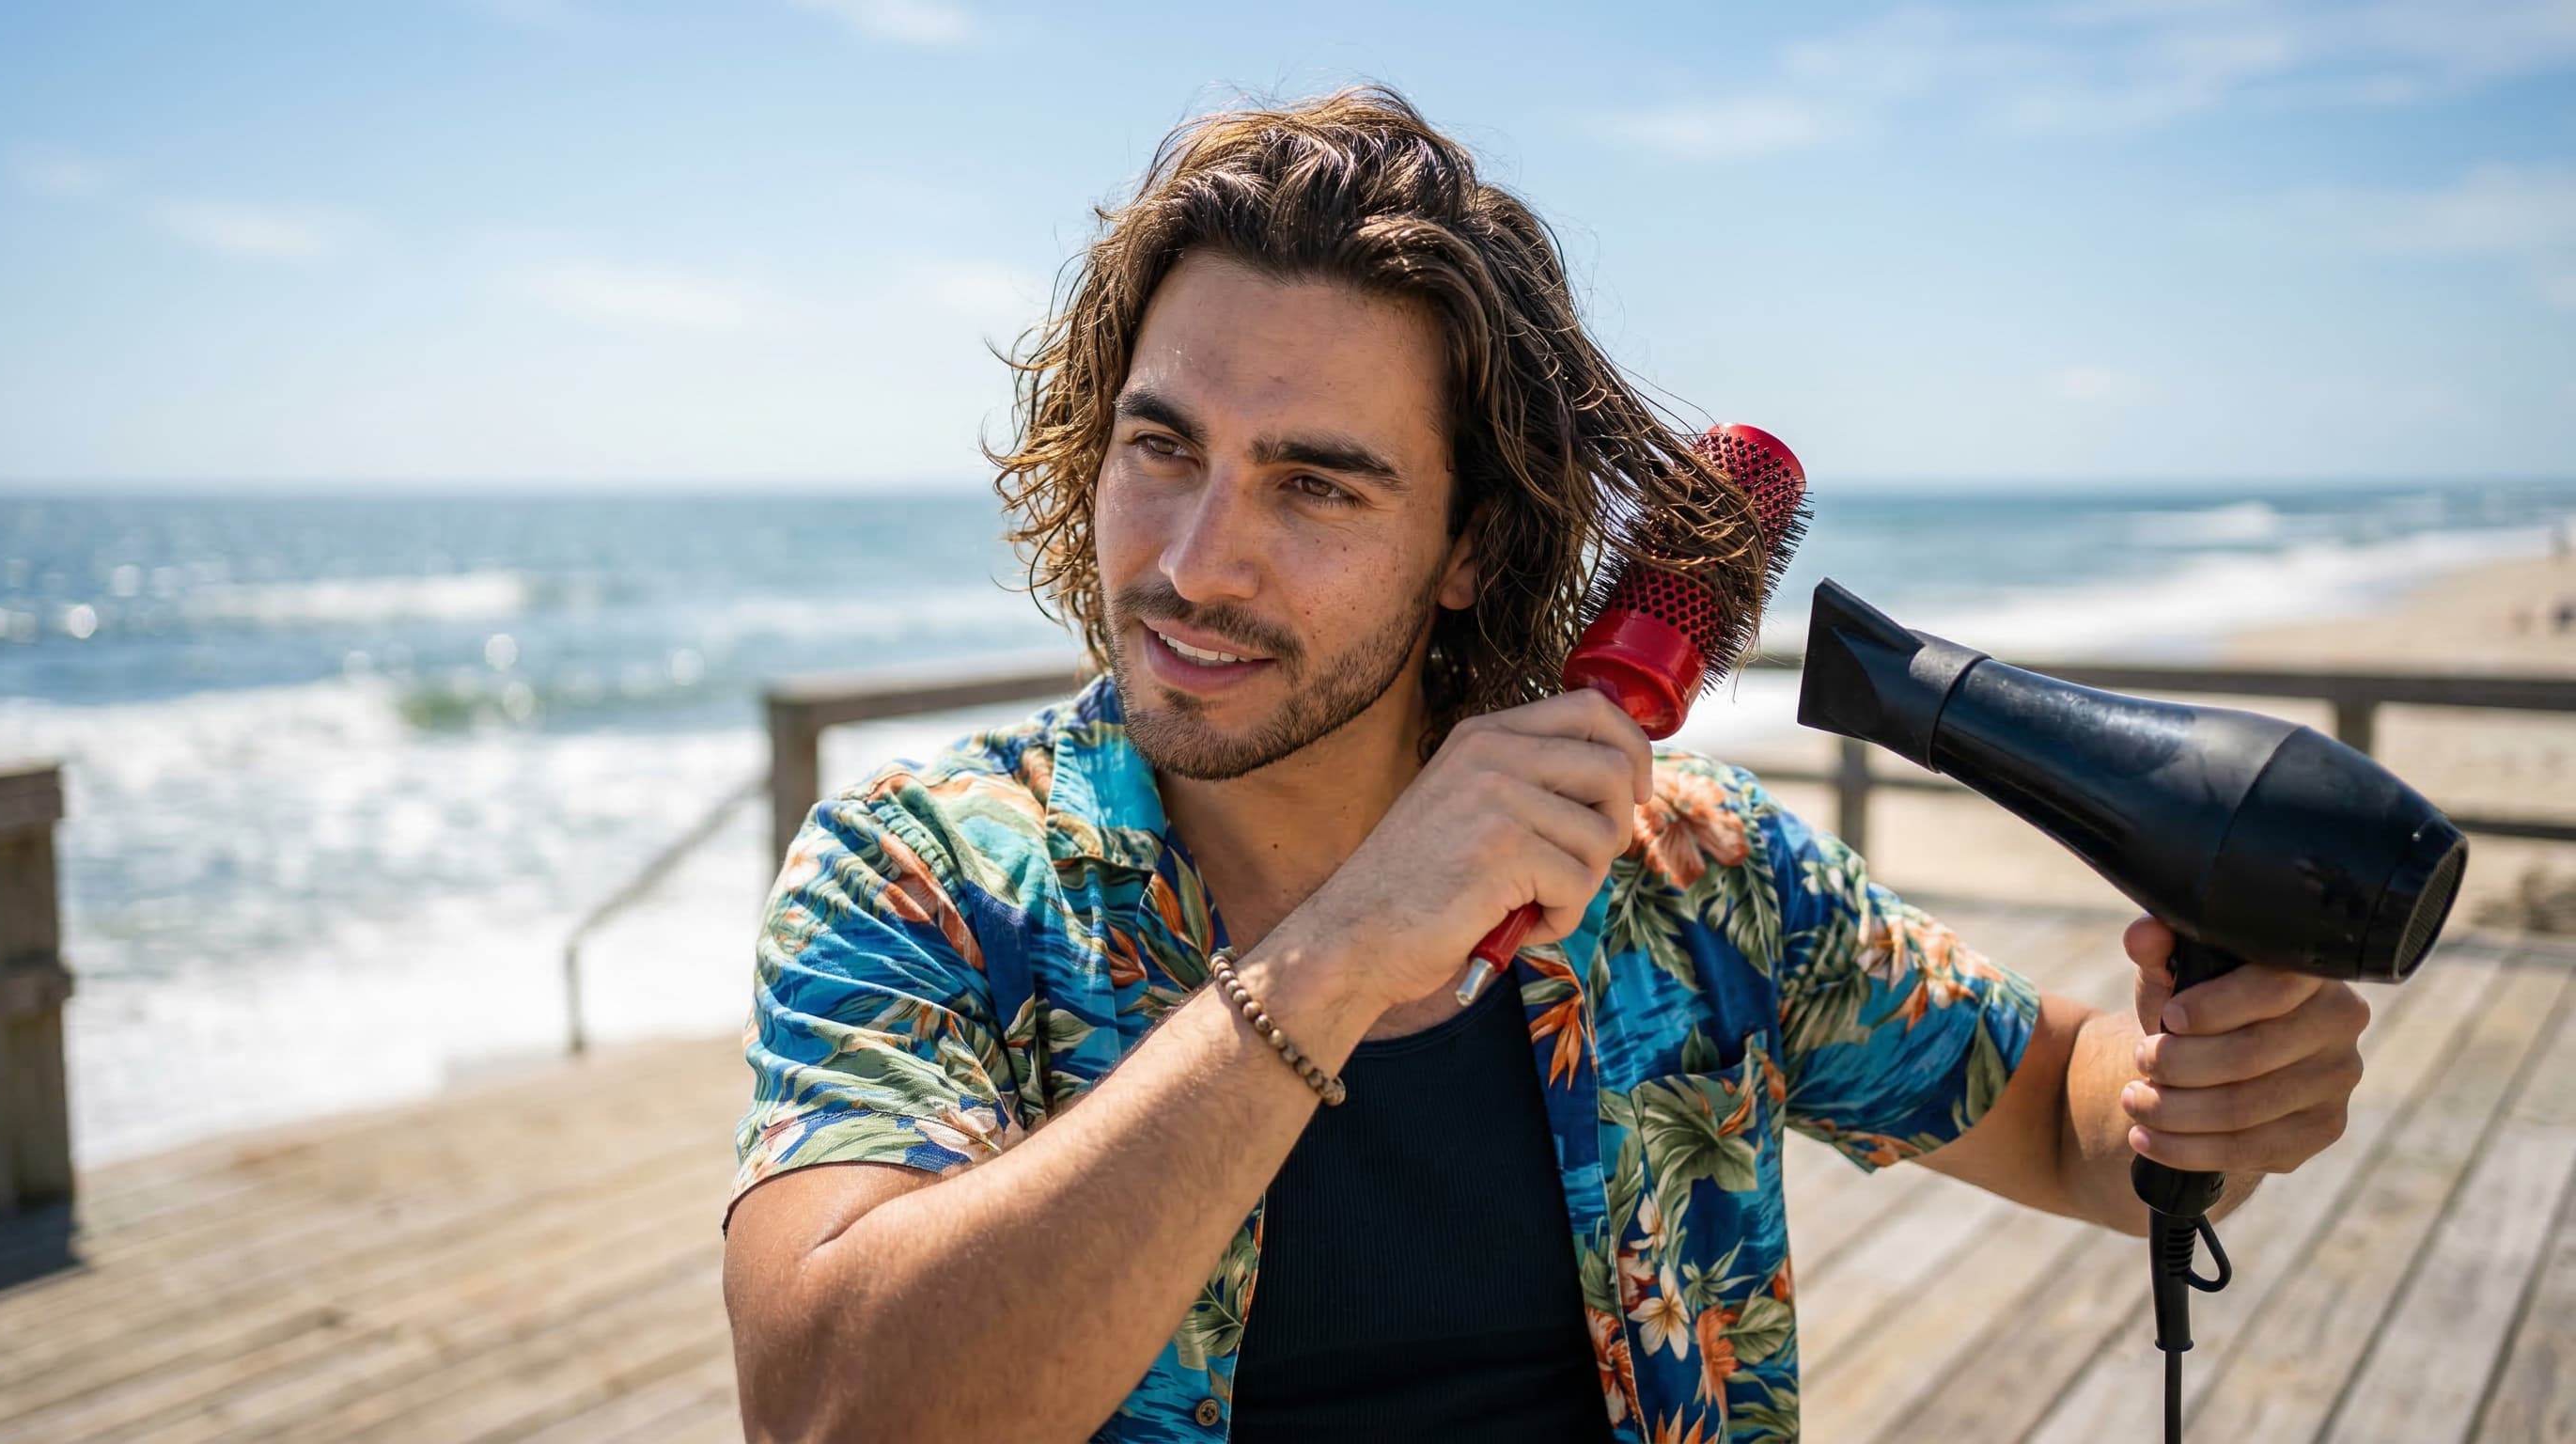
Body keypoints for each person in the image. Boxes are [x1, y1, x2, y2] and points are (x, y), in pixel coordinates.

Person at [719, 87, 2372, 1444]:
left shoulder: (1693, 876)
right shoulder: (923, 875)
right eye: (1162, 447)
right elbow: (830, 1411)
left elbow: (2067, 1118)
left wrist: (2205, 1094)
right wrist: (1342, 950)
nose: (1196, 562)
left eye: (1317, 485)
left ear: (1470, 545)